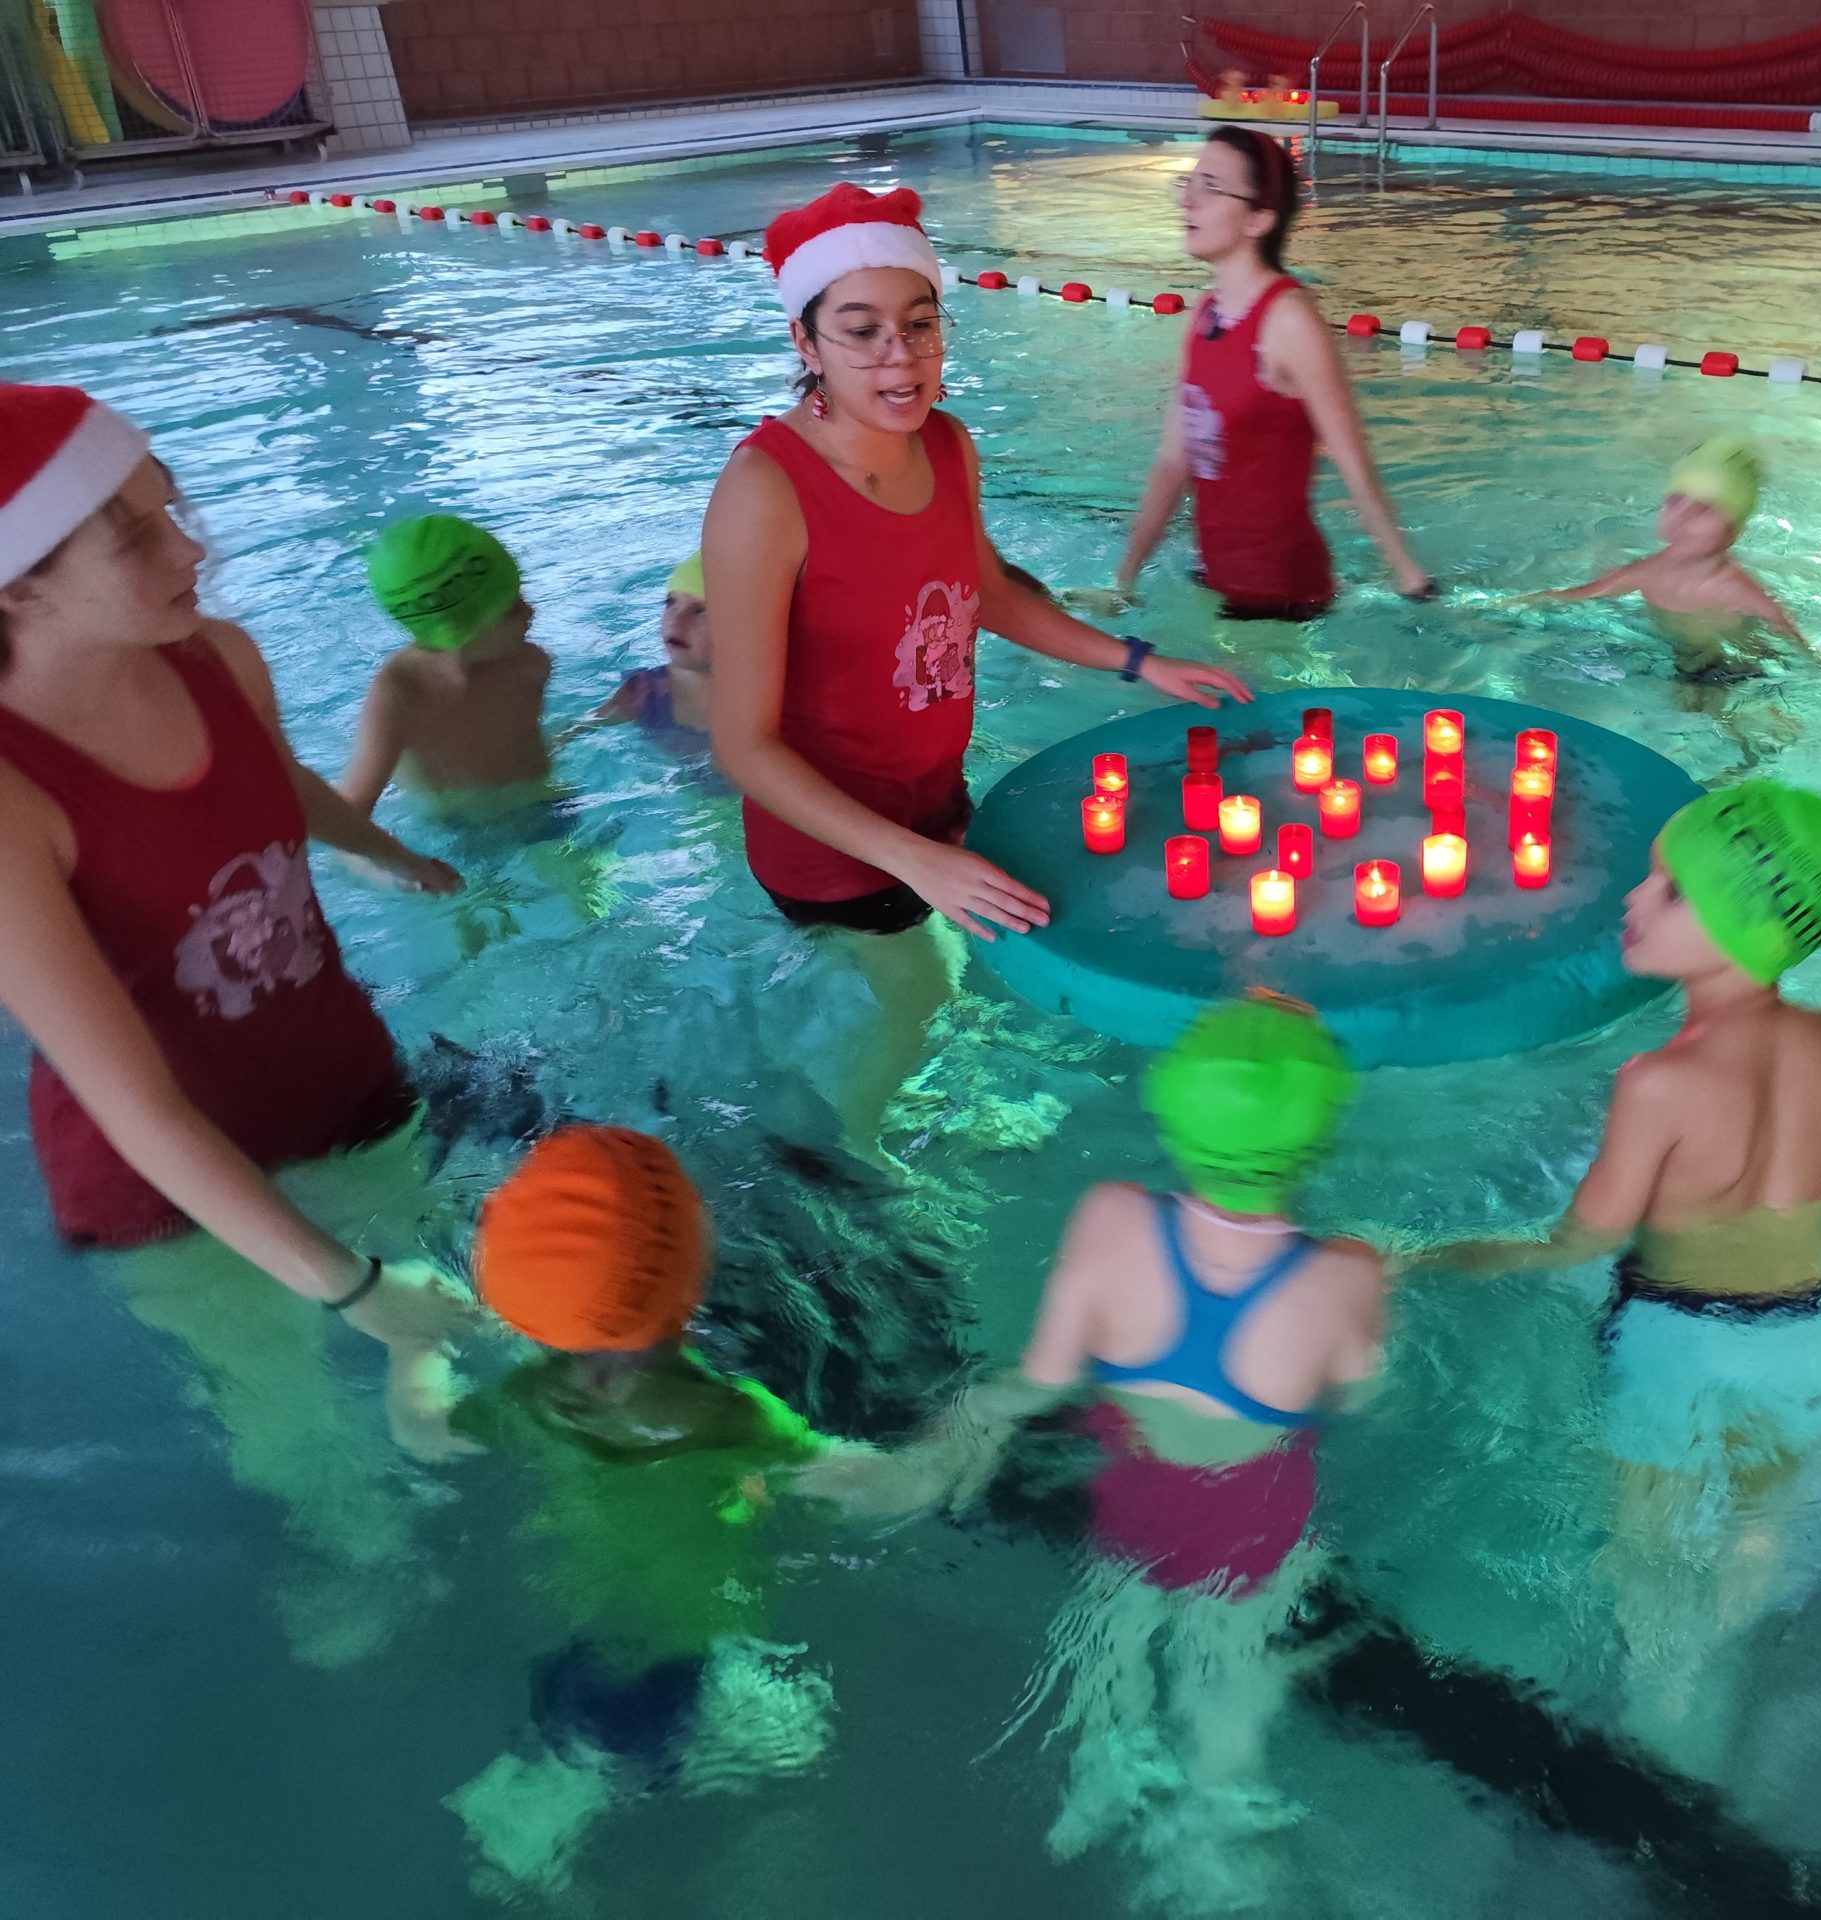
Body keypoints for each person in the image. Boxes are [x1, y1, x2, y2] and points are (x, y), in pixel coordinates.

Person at [0, 384, 479, 1651]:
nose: (192, 548)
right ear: (18, 590)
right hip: (162, 1190)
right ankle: (360, 1587)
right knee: (289, 1416)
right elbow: (138, 1108)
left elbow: (276, 777)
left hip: (342, 1085)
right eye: (136, 536)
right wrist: (350, 1286)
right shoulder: (9, 795)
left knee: (452, 1315)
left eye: (175, 510)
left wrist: (382, 851)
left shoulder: (217, 656)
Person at [701, 183, 1249, 1168]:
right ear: (805, 341)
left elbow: (984, 591)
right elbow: (743, 744)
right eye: (861, 331)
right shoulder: (766, 489)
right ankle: (836, 1166)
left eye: (919, 325)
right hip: (831, 844)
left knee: (986, 954)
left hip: (932, 801)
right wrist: (913, 861)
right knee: (915, 999)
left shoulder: (947, 446)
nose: (899, 357)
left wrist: (1138, 662)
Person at [800, 995, 1384, 1902]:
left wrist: (958, 1426)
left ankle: (1095, 1785)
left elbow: (1041, 1380)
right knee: (1228, 1686)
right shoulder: (1343, 1274)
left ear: (1173, 1116)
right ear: (1317, 1143)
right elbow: (1359, 1393)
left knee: (1112, 1647)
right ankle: (1213, 1851)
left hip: (1132, 1503)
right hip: (1258, 1528)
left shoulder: (1115, 1220)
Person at [1419, 783, 1821, 1757]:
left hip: (1684, 1338)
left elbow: (1580, 1243)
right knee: (1759, 1523)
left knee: (1649, 1556)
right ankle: (1735, 1634)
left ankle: (1666, 1724)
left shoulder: (1659, 1083)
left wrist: (1441, 1257)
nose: (1633, 900)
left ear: (1740, 932)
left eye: (1671, 891)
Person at [439, 1125, 839, 1897]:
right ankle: (574, 1800)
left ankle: (548, 1783)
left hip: (579, 1610)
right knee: (672, 1737)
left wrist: (410, 1354)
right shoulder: (731, 1416)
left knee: (587, 1704)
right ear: (691, 1283)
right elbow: (835, 1477)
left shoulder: (523, 1397)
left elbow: (434, 1429)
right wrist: (947, 1452)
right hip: (680, 1639)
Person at [1115, 127, 1434, 619]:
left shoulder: (1288, 320)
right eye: (1189, 183)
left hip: (1284, 603)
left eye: (1211, 187)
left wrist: (1411, 581)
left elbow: (1352, 461)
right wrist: (1123, 583)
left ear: (1259, 218)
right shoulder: (1203, 315)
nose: (1188, 201)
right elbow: (1172, 464)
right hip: (1213, 581)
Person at [338, 514, 555, 815]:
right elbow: (350, 814)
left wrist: (596, 721)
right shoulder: (401, 696)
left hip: (549, 808)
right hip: (460, 832)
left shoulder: (529, 666)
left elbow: (513, 757)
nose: (530, 611)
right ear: (461, 630)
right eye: (509, 609)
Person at [1547, 434, 1803, 668]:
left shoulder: (1739, 593)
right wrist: (1524, 603)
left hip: (1730, 662)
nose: (1682, 515)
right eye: (1675, 500)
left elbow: (1795, 650)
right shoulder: (1645, 572)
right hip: (1667, 649)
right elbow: (1575, 596)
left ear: (1733, 533)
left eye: (1703, 508)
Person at [589, 551, 711, 755]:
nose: (675, 621)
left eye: (700, 610)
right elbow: (576, 731)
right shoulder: (643, 692)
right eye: (670, 602)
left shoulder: (765, 697)